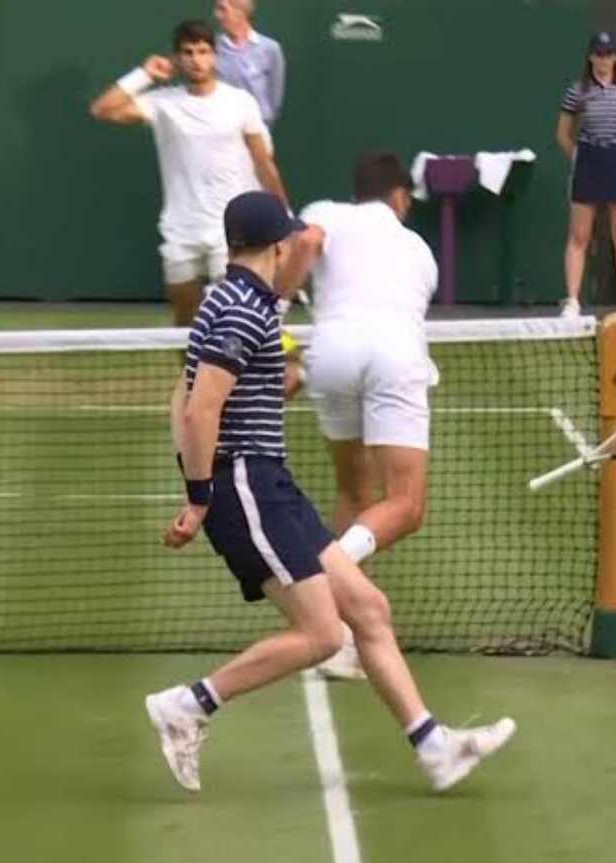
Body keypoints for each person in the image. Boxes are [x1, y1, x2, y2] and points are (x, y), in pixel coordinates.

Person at [149, 189, 515, 794]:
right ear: (276, 245)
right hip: (246, 485)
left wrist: (273, 386)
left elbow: (183, 395)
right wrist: (198, 496)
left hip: (270, 483)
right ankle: (188, 705)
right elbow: (198, 409)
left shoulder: (242, 302)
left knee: (368, 609)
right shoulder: (241, 307)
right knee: (322, 635)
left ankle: (435, 749)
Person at [272, 153, 439, 678]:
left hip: (330, 355)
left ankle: (338, 639)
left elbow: (306, 243)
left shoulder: (325, 211)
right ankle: (329, 567)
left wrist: (270, 311)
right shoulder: (419, 249)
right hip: (393, 354)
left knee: (354, 490)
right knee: (405, 506)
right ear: (401, 198)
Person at [90, 20, 289, 326]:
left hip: (231, 229)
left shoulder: (240, 103)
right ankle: (191, 374)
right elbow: (102, 110)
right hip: (180, 229)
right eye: (188, 52)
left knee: (233, 320)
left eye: (203, 51)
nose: (197, 59)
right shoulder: (164, 103)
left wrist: (283, 213)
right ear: (178, 58)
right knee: (184, 321)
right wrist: (145, 74)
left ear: (215, 56)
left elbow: (263, 162)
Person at [556, 31, 616, 321]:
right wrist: (578, 157)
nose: (603, 60)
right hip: (589, 160)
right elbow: (563, 134)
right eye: (598, 54)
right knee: (580, 236)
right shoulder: (577, 90)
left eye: (608, 54)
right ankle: (572, 301)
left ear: (615, 57)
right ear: (591, 56)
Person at [213, 0, 286, 129]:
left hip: (258, 128)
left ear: (240, 13)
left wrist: (263, 121)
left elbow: (275, 96)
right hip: (220, 126)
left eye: (222, 9)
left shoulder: (270, 49)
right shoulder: (211, 47)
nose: (216, 15)